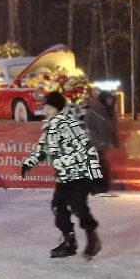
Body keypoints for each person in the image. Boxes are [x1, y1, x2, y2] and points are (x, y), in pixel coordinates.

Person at [21, 90, 103, 259]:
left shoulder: (69, 124)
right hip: (64, 176)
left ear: (57, 108)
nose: (45, 111)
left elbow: (87, 147)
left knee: (78, 206)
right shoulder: (50, 127)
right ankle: (69, 242)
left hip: (80, 174)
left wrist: (95, 173)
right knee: (58, 207)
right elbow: (42, 149)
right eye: (45, 107)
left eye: (49, 107)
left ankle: (92, 237)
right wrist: (29, 163)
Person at [81, 90, 119, 194]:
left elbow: (113, 128)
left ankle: (101, 186)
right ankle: (96, 187)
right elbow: (90, 128)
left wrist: (114, 140)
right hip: (94, 143)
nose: (110, 101)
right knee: (98, 164)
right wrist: (98, 141)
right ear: (102, 100)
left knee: (101, 165)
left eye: (111, 99)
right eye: (107, 99)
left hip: (103, 143)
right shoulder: (92, 112)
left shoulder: (110, 111)